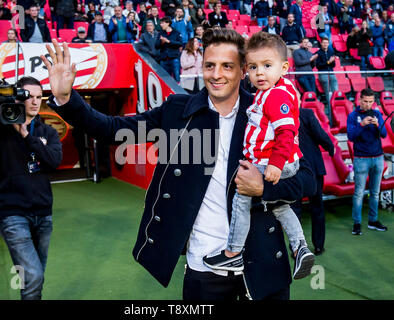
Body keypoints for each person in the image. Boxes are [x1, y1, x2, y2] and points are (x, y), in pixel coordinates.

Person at [40, 28, 316, 300]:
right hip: (203, 267)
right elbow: (114, 129)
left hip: (262, 265)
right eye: (210, 65)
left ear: (243, 70)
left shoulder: (270, 107)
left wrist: (264, 189)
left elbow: (308, 179)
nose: (216, 74)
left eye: (227, 66)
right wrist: (66, 99)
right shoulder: (178, 111)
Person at [202, 31, 315, 280]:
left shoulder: (276, 95)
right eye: (253, 67)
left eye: (266, 66)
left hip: (272, 161)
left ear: (284, 67)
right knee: (280, 206)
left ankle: (233, 253)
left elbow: (286, 132)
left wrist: (274, 165)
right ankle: (300, 247)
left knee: (241, 201)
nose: (259, 73)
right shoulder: (270, 92)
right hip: (277, 161)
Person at [0, 76, 63, 300]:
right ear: (16, 98)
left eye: (39, 97)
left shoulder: (47, 132)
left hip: (43, 213)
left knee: (33, 277)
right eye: (28, 96)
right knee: (33, 277)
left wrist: (26, 135)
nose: (34, 101)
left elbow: (54, 161)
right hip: (11, 213)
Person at [291, 107, 335, 256]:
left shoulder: (279, 115)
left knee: (295, 210)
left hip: (293, 169)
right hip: (311, 168)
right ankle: (318, 246)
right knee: (316, 208)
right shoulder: (307, 113)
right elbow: (320, 134)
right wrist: (330, 147)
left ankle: (297, 249)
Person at [347, 88, 388, 236]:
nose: (368, 104)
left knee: (375, 192)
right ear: (360, 100)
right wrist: (362, 124)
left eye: (371, 102)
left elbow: (384, 134)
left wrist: (378, 125)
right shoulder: (353, 116)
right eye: (365, 101)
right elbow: (351, 136)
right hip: (361, 159)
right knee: (358, 193)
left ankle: (373, 220)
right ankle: (357, 223)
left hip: (377, 157)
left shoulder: (377, 113)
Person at [158, 16, 183, 82]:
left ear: (168, 23)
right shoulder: (160, 33)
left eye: (162, 23)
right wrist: (162, 43)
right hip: (164, 59)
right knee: (165, 80)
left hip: (174, 58)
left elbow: (180, 43)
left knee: (177, 78)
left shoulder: (176, 33)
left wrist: (169, 41)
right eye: (161, 23)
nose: (161, 25)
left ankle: (178, 92)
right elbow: (156, 45)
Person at [316, 37, 338, 105]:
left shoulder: (331, 52)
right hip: (323, 73)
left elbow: (333, 65)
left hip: (331, 72)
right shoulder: (318, 53)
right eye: (324, 43)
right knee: (327, 90)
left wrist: (332, 61)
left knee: (335, 88)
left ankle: (336, 103)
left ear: (328, 44)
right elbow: (318, 66)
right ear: (321, 43)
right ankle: (330, 105)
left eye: (326, 43)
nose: (325, 44)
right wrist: (328, 62)